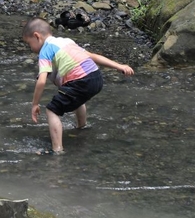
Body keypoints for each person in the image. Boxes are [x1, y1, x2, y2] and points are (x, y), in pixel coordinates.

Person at [22, 17, 134, 154]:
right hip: (96, 77)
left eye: (29, 44)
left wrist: (35, 104)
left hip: (80, 81)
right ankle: (82, 127)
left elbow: (41, 81)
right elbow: (92, 56)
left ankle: (57, 150)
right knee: (75, 97)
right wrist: (119, 66)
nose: (31, 48)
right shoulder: (66, 42)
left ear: (37, 36)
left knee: (52, 110)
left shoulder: (45, 50)